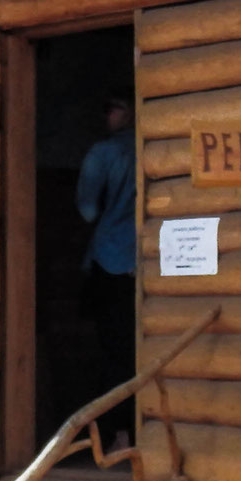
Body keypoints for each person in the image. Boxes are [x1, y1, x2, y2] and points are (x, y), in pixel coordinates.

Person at [73, 96, 138, 440]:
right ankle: (133, 429)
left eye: (112, 107)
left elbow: (87, 209)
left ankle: (110, 433)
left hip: (110, 260)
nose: (107, 114)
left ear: (128, 111)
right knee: (137, 349)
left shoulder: (105, 152)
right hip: (149, 262)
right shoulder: (152, 147)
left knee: (111, 350)